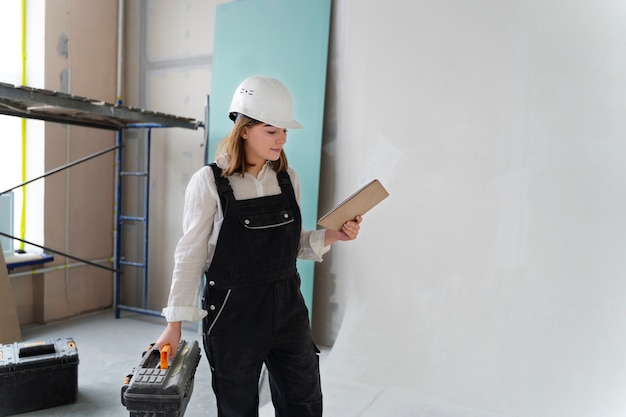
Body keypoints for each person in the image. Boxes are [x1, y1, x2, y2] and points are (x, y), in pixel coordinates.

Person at [155, 75, 362, 417]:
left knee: (305, 403)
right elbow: (189, 256)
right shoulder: (209, 182)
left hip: (287, 309)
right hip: (233, 314)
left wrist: (334, 235)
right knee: (239, 409)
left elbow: (290, 247)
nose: (282, 139)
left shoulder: (287, 178)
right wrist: (174, 323)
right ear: (244, 129)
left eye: (284, 131)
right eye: (272, 130)